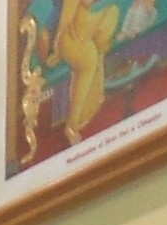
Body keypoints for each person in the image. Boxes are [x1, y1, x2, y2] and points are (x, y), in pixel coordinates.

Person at [53, 0, 120, 144]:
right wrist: (57, 53)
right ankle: (72, 124)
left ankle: (98, 47)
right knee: (90, 61)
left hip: (83, 31)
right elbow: (65, 23)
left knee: (112, 11)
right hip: (70, 40)